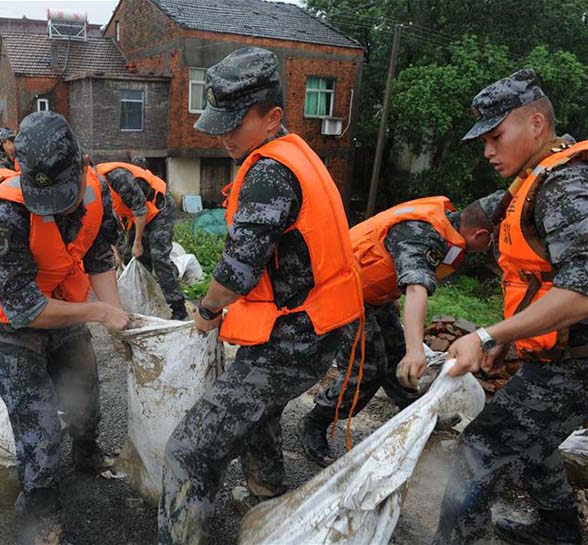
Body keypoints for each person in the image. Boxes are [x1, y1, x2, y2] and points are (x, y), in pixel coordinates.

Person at [157, 47, 365, 544]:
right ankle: (270, 501)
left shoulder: (270, 172)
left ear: (272, 117)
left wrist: (207, 309)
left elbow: (237, 270)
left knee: (189, 450)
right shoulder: (295, 153)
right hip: (310, 326)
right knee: (257, 412)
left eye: (233, 124)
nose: (222, 135)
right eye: (219, 123)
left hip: (296, 336)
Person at [431, 68, 588, 545]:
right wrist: (512, 336)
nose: (487, 150)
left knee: (477, 452)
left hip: (577, 365)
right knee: (534, 443)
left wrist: (488, 336)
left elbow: (582, 293)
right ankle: (558, 532)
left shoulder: (566, 187)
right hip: (562, 359)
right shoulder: (538, 181)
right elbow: (545, 281)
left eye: (496, 135)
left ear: (537, 124)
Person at [0, 111, 128, 545]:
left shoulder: (96, 189)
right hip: (13, 328)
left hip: (67, 308)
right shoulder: (5, 211)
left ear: (82, 164)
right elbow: (23, 308)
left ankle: (88, 453)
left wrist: (116, 316)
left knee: (86, 392)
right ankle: (40, 510)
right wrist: (99, 314)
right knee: (37, 427)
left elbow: (98, 256)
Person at [297, 191, 503, 465]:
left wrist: (407, 350)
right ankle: (314, 422)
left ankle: (417, 416)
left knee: (395, 354)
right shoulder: (423, 234)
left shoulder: (448, 225)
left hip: (373, 293)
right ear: (480, 235)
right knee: (365, 370)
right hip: (344, 293)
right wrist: (416, 350)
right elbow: (416, 287)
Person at [96, 157, 188, 320]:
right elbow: (109, 224)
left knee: (158, 258)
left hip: (159, 209)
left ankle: (178, 307)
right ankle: (144, 303)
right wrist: (117, 252)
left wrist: (138, 243)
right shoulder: (96, 190)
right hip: (136, 217)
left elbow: (140, 209)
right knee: (131, 258)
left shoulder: (116, 176)